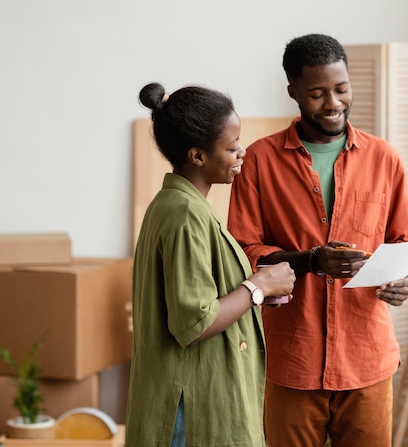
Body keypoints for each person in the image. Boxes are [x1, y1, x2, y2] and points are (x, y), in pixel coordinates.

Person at [227, 34, 408, 447]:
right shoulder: (259, 160)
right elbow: (243, 251)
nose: (333, 103)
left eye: (341, 88)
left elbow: (402, 243)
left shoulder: (386, 158)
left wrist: (402, 279)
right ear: (293, 92)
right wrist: (310, 261)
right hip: (292, 360)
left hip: (367, 357)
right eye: (316, 93)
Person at [125, 83, 295, 447]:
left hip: (191, 402)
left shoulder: (180, 205)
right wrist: (258, 288)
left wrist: (256, 293)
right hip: (192, 411)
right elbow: (194, 321)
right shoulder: (185, 214)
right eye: (232, 147)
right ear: (198, 156)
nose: (242, 153)